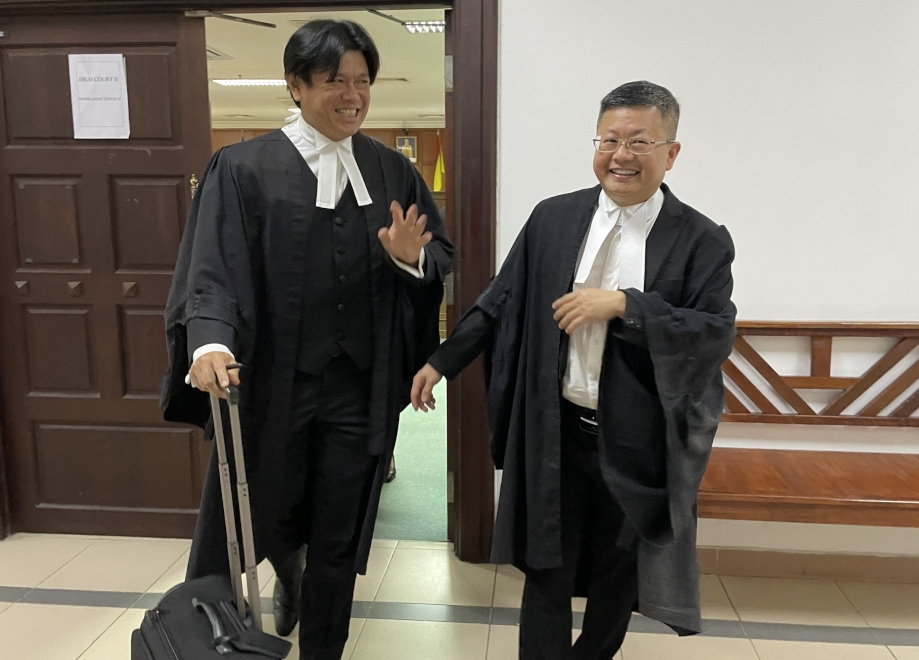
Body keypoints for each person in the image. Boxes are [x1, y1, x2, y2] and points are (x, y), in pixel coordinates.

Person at [160, 19, 453, 660]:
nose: (353, 95)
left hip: (359, 384)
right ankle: (264, 595)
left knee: (339, 530)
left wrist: (412, 261)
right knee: (260, 510)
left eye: (362, 81)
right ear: (295, 85)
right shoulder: (242, 168)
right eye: (335, 81)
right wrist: (208, 341)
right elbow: (213, 265)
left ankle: (326, 646)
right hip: (271, 383)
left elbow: (440, 258)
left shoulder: (391, 169)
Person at [411, 81, 736, 658]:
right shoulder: (554, 218)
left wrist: (625, 306)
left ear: (671, 152)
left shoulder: (700, 239)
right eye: (609, 139)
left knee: (617, 573)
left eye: (639, 141)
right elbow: (499, 299)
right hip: (554, 429)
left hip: (636, 442)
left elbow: (713, 331)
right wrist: (442, 360)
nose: (621, 156)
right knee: (546, 569)